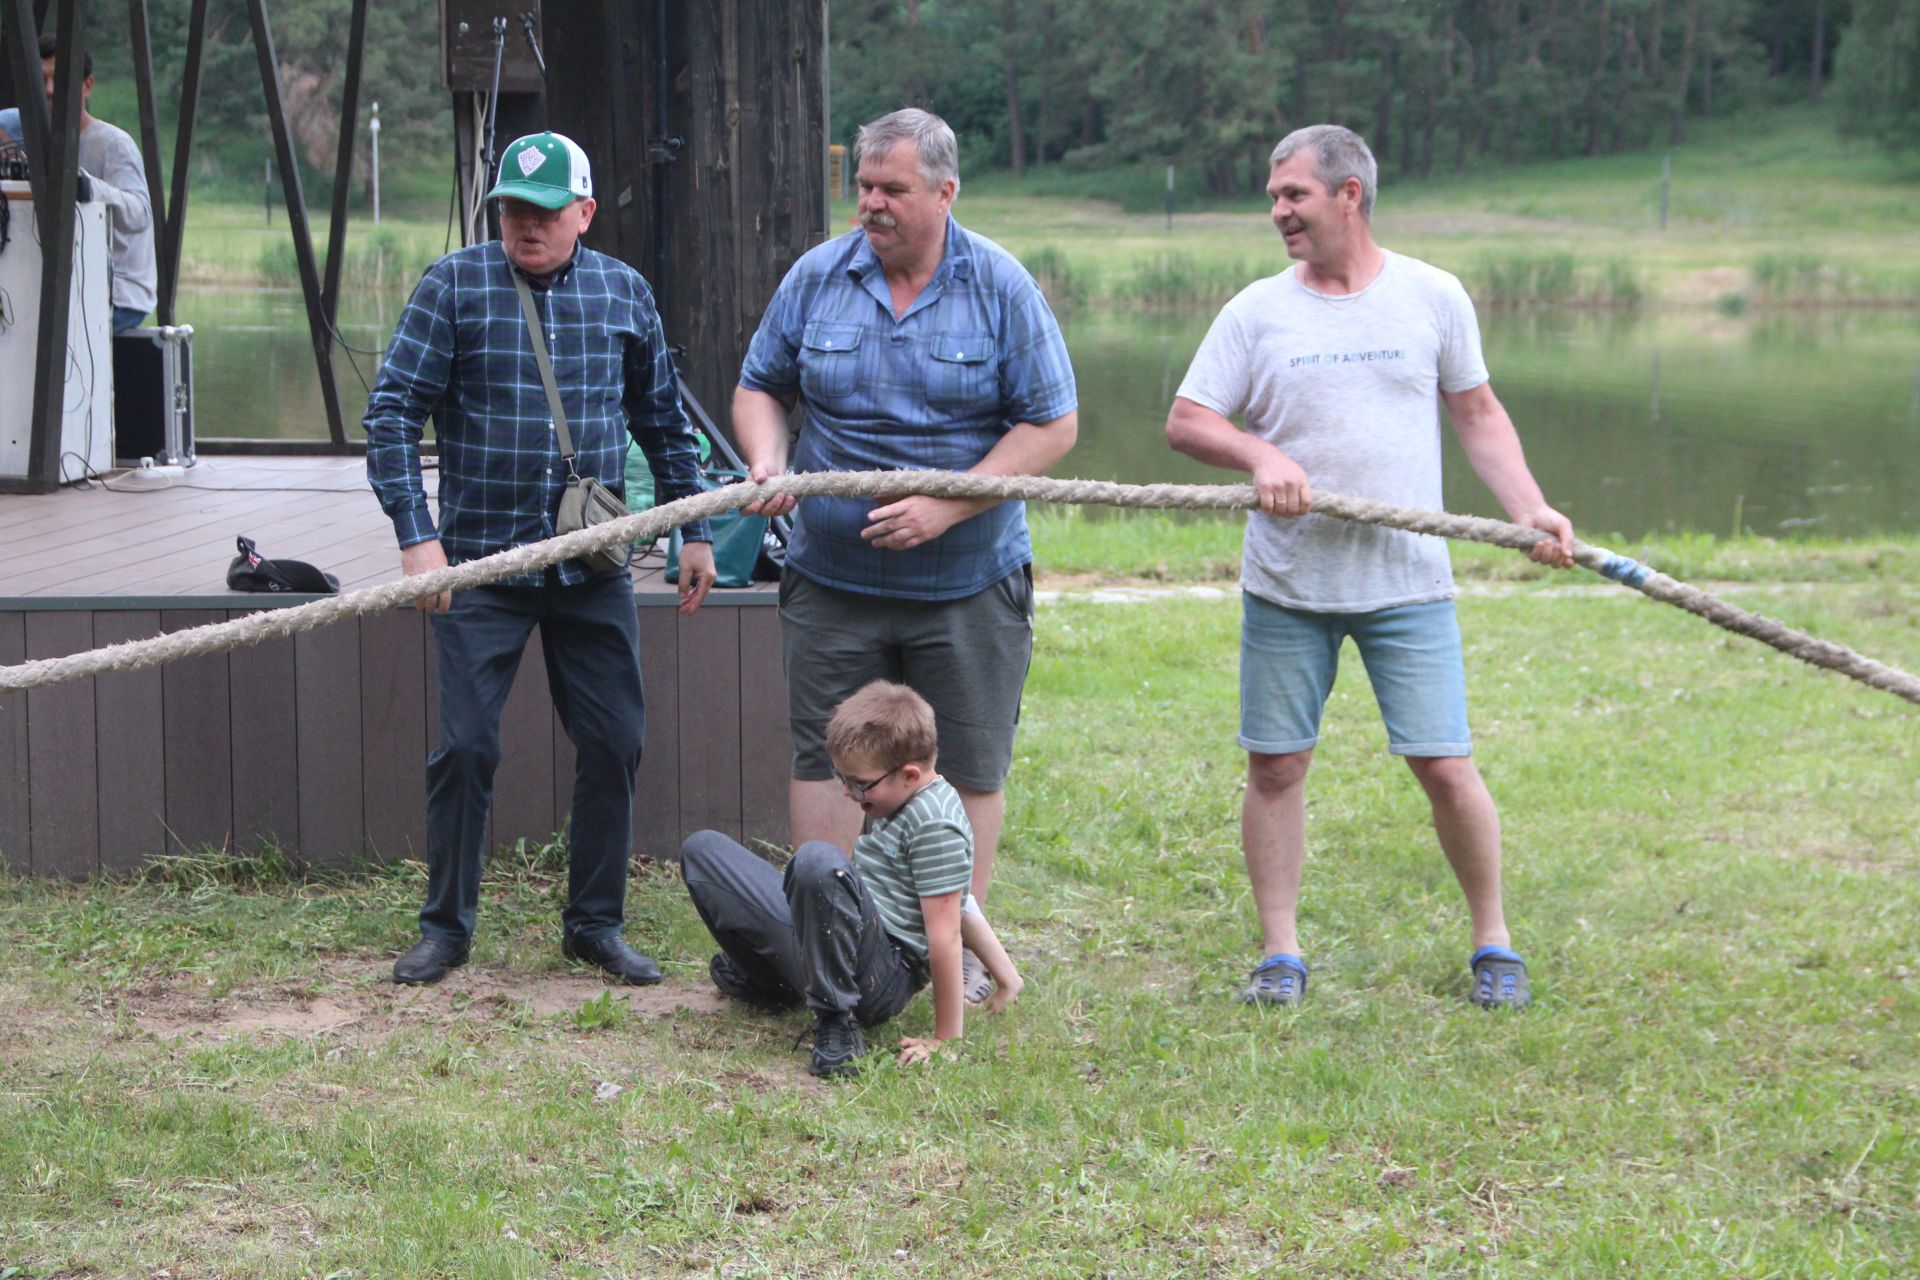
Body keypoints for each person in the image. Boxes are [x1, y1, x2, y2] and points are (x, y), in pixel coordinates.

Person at [1164, 124, 1574, 1011]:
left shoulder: (1432, 296)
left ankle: (1493, 940)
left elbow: (1478, 413)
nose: (1277, 212)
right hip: (1289, 584)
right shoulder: (1255, 311)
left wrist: (1528, 507)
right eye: (1274, 197)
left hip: (1407, 583)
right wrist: (1257, 457)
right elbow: (1189, 420)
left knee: (1445, 765)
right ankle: (1281, 954)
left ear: (1349, 195)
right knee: (1276, 766)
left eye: (1294, 196)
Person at [733, 108, 1077, 991]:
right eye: (865, 188)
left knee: (965, 763)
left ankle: (932, 960)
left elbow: (1052, 425)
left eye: (893, 190)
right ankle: (826, 950)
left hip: (967, 581)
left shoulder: (1000, 286)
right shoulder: (817, 277)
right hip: (833, 579)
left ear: (945, 192)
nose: (872, 205)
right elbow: (759, 386)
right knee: (826, 752)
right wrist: (767, 457)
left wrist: (948, 506)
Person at [364, 131, 717, 987]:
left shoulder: (625, 293)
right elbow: (390, 417)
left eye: (545, 212)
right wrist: (419, 540)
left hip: (591, 566)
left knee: (615, 742)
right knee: (467, 750)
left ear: (585, 213)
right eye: (513, 211)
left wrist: (694, 529)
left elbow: (664, 421)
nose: (526, 226)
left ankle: (594, 924)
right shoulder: (452, 286)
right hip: (480, 566)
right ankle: (445, 928)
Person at [681, 680, 1024, 1077]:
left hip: (880, 979)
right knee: (703, 851)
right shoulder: (897, 801)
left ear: (909, 774)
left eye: (859, 783)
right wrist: (1008, 977)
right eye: (841, 777)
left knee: (818, 862)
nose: (847, 792)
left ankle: (837, 1023)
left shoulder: (936, 826)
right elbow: (964, 901)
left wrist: (946, 1039)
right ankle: (772, 984)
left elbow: (946, 932)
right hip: (849, 944)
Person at [0, 37, 158, 333]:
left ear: (87, 86)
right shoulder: (27, 133)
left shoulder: (113, 143)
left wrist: (88, 187)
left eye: (59, 80)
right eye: (42, 79)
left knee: (38, 332)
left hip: (120, 295)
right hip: (59, 288)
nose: (48, 90)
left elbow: (140, 214)